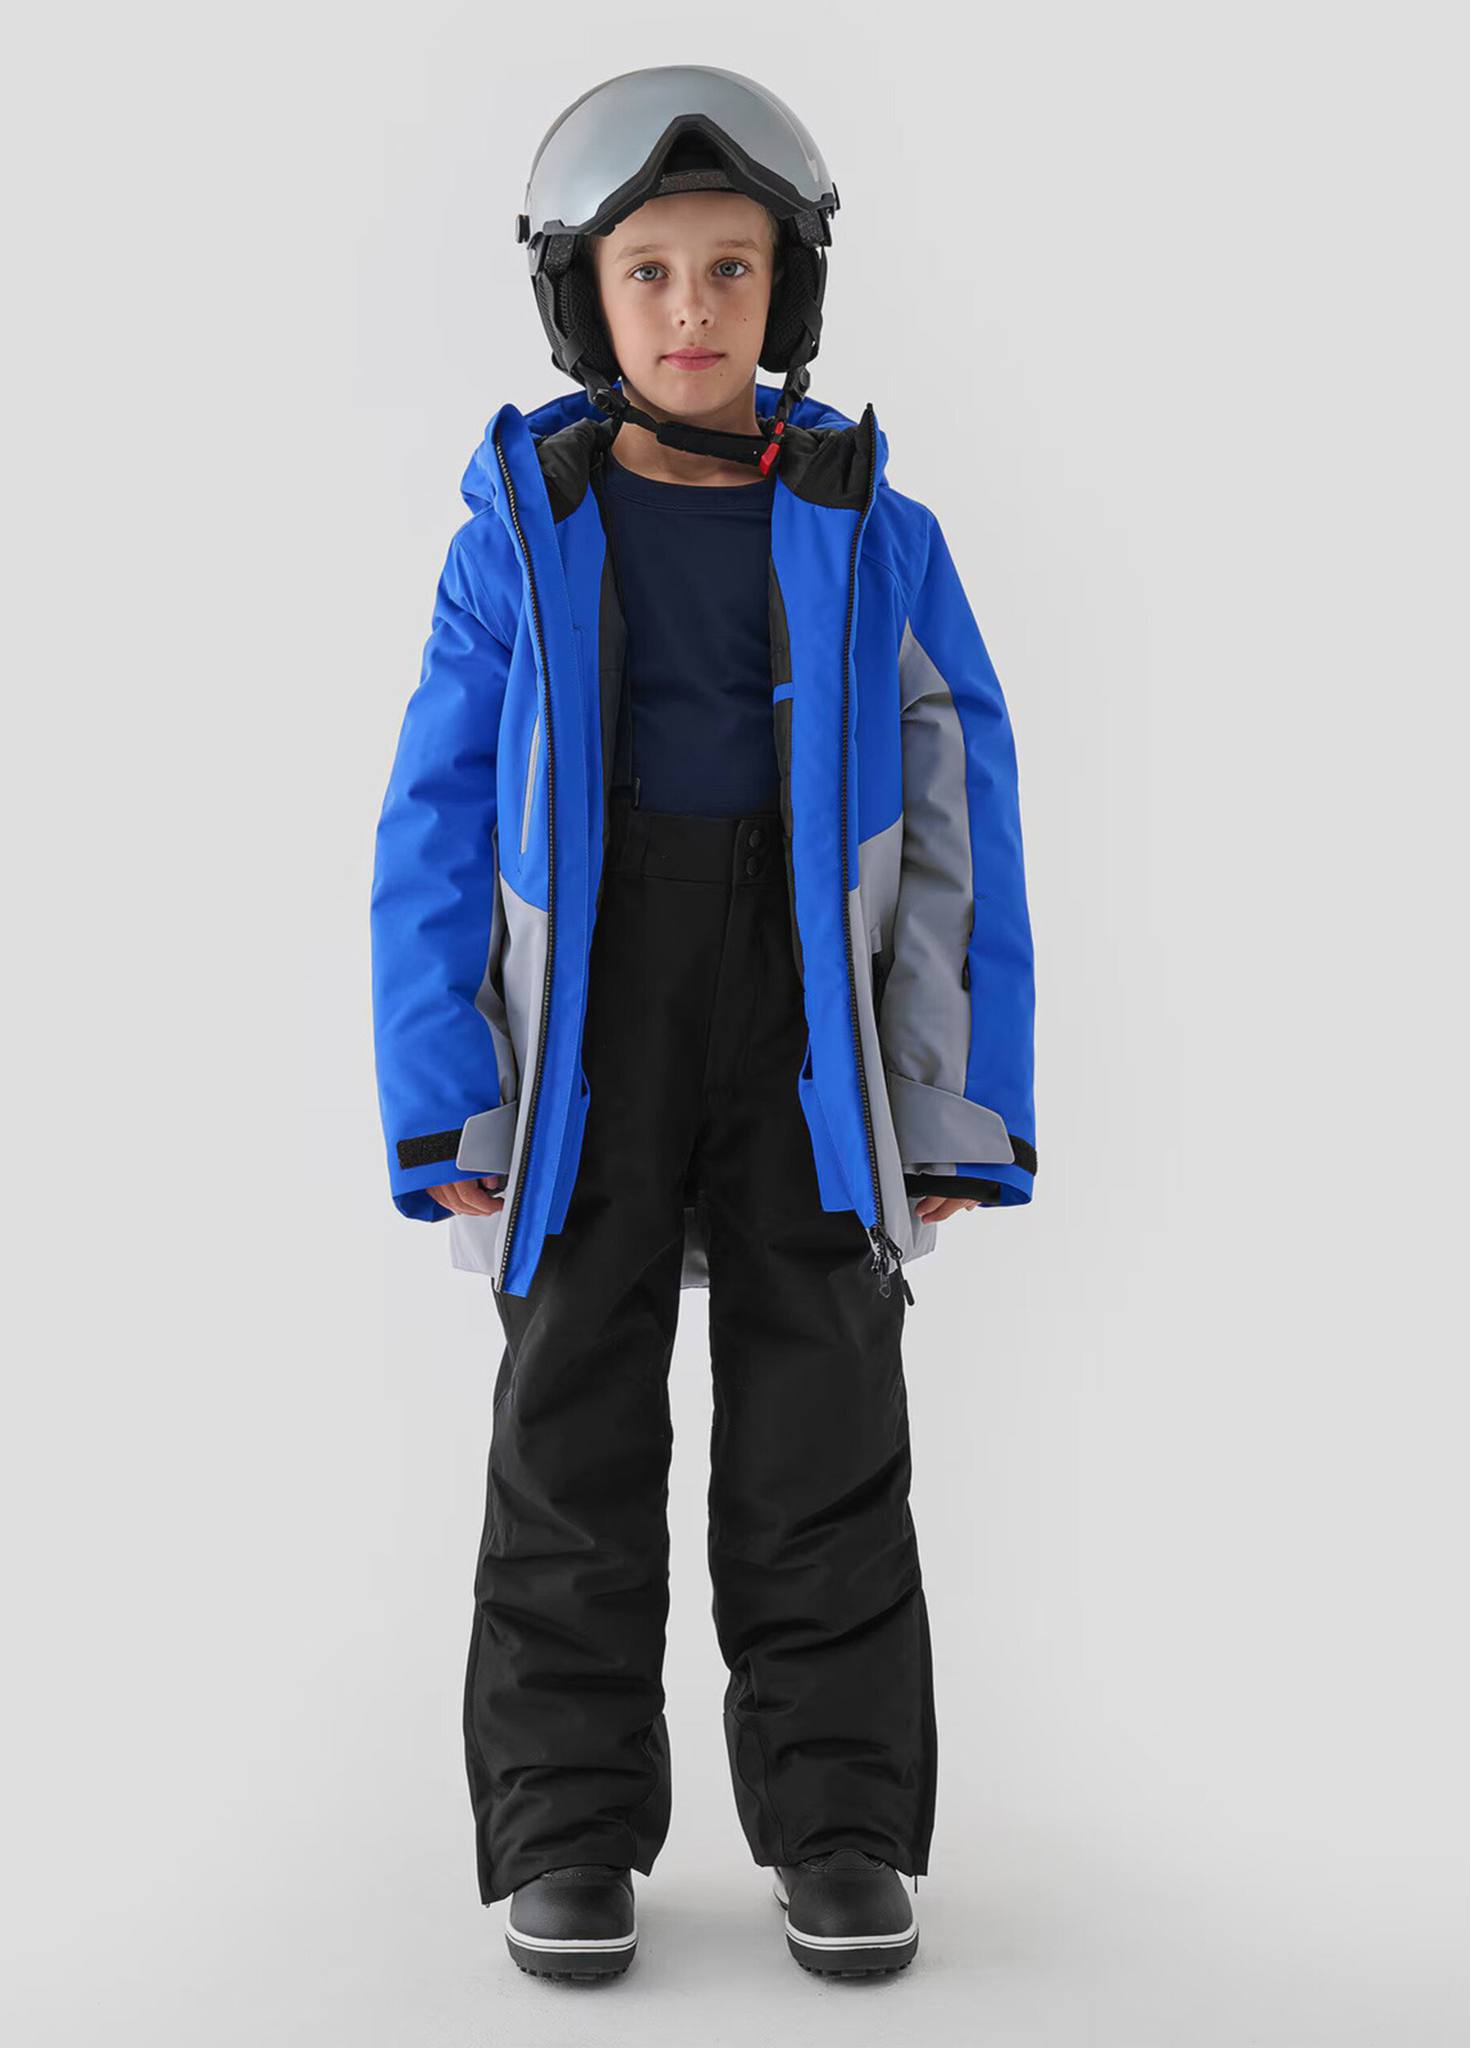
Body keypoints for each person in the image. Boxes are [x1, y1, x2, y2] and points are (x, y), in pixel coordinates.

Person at [369, 65, 1037, 1982]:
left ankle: (840, 1824)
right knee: (569, 1419)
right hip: (589, 1024)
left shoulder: (873, 531)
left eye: (730, 269)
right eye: (648, 271)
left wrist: (951, 1104)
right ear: (584, 297)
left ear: (787, 287)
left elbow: (960, 811)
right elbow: (433, 823)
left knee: (825, 1411)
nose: (691, 310)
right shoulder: (523, 530)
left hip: (805, 1021)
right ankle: (568, 1830)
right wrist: (449, 1101)